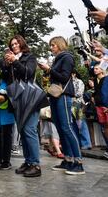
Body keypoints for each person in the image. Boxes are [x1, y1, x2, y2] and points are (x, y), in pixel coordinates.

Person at [38, 36, 85, 175]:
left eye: (53, 45)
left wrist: (49, 69)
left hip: (63, 96)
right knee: (60, 128)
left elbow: (64, 77)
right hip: (54, 95)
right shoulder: (58, 59)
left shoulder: (67, 57)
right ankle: (68, 159)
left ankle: (78, 162)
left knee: (66, 127)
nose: (51, 47)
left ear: (59, 45)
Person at [2, 35, 41, 177]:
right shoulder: (11, 59)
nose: (14, 46)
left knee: (30, 130)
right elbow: (6, 78)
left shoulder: (29, 57)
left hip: (30, 98)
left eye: (16, 43)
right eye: (12, 44)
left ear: (21, 43)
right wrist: (7, 65)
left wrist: (16, 62)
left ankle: (36, 165)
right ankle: (28, 161)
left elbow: (28, 73)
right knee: (23, 131)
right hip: (17, 99)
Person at [92, 63, 108, 159]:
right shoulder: (95, 80)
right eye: (94, 69)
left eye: (97, 68)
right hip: (99, 105)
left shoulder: (106, 79)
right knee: (104, 126)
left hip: (105, 105)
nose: (95, 70)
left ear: (102, 70)